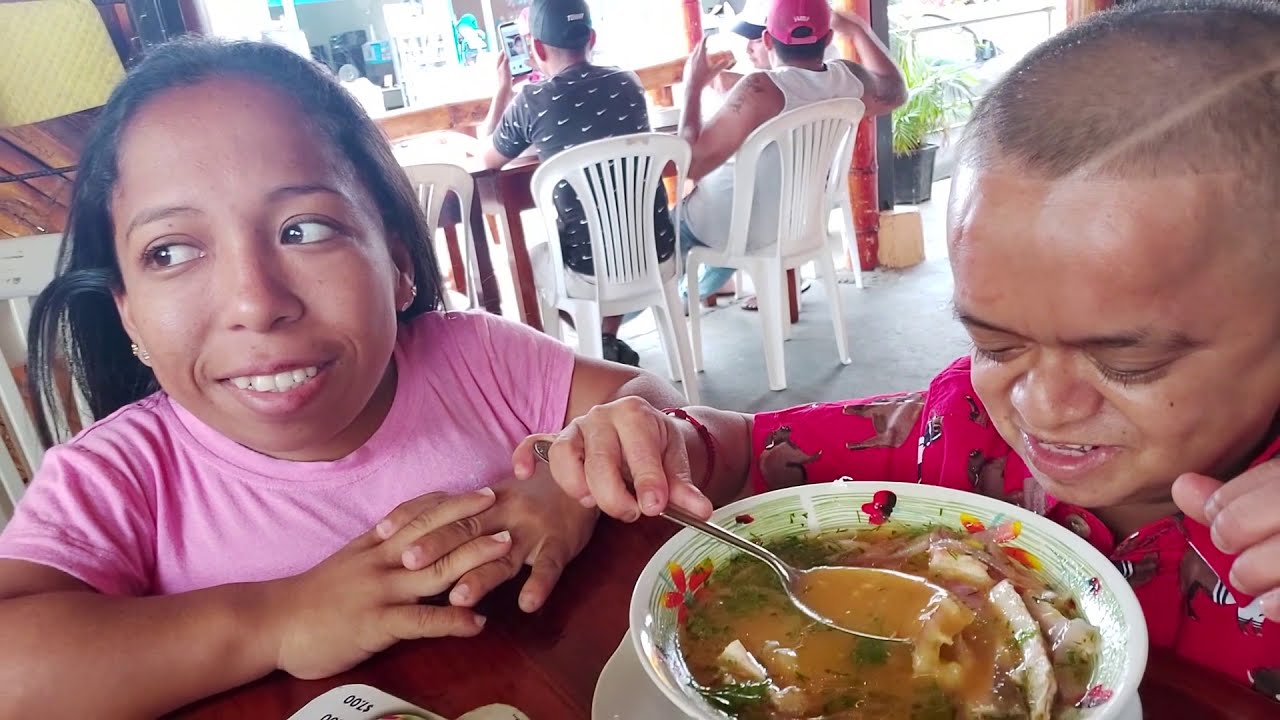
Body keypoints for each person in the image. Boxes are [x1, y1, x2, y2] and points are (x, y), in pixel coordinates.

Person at [523, 0, 1280, 701]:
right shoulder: (960, 426)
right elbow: (750, 445)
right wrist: (659, 444)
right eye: (996, 342)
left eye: (1129, 363)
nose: (1042, 405)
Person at [0, 37, 687, 717]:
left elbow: (639, 400)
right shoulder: (122, 475)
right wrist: (277, 620)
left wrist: (567, 486)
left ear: (395, 263)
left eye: (303, 230)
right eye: (172, 250)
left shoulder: (476, 359)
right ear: (130, 318)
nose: (256, 302)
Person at [478, 0, 676, 367]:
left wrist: (501, 89)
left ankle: (573, 359)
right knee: (612, 232)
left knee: (533, 257)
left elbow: (487, 158)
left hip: (589, 268)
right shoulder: (628, 83)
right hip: (653, 250)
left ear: (535, 48)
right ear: (592, 38)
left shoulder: (532, 100)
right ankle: (605, 340)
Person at [677, 0, 907, 304]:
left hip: (733, 229)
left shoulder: (759, 87)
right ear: (827, 39)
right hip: (796, 227)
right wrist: (858, 30)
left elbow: (690, 166)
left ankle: (627, 315)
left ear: (769, 39)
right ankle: (692, 291)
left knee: (661, 229)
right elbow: (895, 91)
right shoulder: (849, 80)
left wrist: (692, 87)